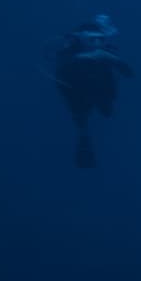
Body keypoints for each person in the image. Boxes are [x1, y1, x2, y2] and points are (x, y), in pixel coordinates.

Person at [52, 14, 133, 168]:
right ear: (82, 39)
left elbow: (129, 73)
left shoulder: (106, 53)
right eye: (92, 39)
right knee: (81, 115)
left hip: (99, 89)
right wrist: (88, 56)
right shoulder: (70, 51)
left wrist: (114, 60)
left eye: (100, 39)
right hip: (76, 92)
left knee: (107, 111)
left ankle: (84, 133)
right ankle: (84, 141)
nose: (97, 43)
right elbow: (62, 68)